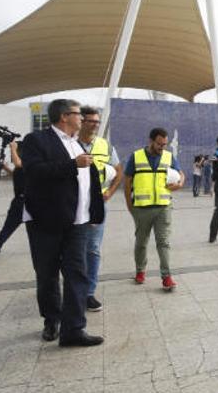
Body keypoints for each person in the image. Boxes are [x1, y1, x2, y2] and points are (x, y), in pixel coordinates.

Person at [21, 99, 105, 347]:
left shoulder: (76, 143)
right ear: (64, 116)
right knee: (47, 275)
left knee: (77, 274)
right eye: (79, 115)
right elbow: (34, 172)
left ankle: (74, 329)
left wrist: (94, 212)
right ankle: (52, 320)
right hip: (46, 221)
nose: (83, 119)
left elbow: (86, 181)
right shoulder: (37, 140)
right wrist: (73, 165)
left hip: (77, 222)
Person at [123, 128, 184, 290]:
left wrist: (180, 183)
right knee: (141, 242)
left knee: (163, 242)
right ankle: (140, 270)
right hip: (142, 208)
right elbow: (127, 181)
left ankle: (166, 277)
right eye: (159, 144)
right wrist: (130, 205)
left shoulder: (169, 156)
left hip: (164, 207)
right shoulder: (136, 157)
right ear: (150, 140)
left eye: (165, 144)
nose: (162, 147)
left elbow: (180, 173)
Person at [78, 106, 123, 313]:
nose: (95, 124)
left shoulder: (105, 146)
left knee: (93, 249)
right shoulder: (69, 144)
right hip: (73, 204)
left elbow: (119, 171)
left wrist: (110, 193)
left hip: (97, 205)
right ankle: (73, 288)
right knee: (73, 248)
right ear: (81, 121)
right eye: (91, 121)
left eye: (97, 121)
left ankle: (88, 293)